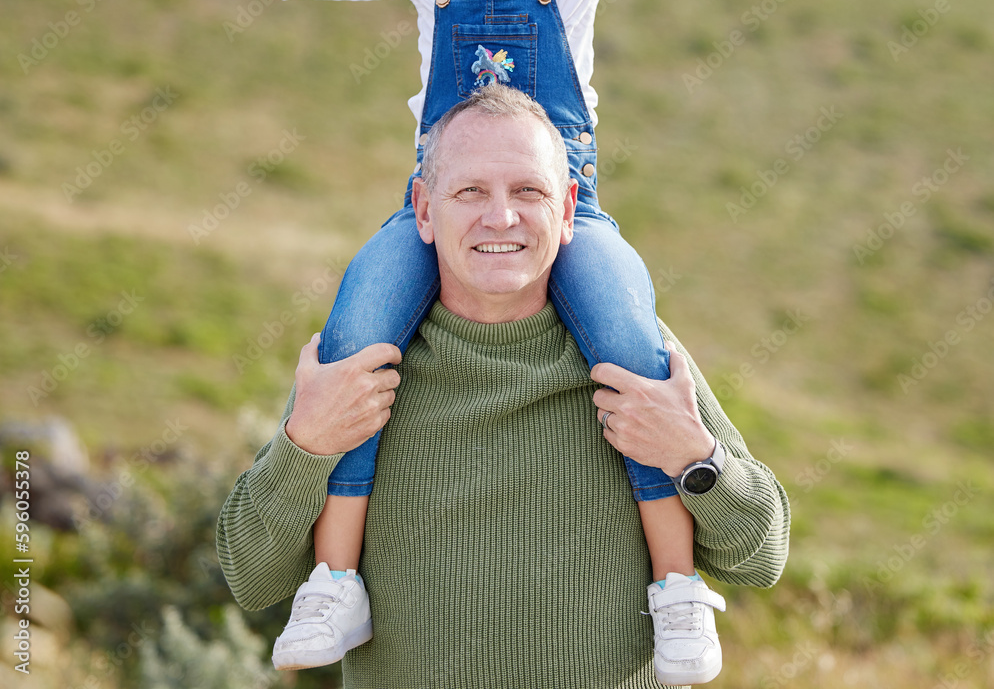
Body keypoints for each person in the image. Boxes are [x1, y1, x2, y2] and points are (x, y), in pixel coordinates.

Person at [30, 0, 944, 680]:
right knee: (353, 335)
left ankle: (674, 591)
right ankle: (335, 580)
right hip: (428, 213)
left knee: (630, 342)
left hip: (573, 220)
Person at [215, 83, 791, 689]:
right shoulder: (358, 364)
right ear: (425, 209)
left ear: (568, 210)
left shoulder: (634, 354)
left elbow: (761, 557)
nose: (501, 216)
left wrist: (695, 461)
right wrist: (305, 445)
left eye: (528, 191)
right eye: (470, 191)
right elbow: (253, 577)